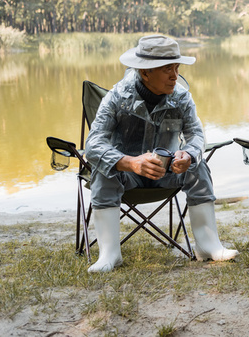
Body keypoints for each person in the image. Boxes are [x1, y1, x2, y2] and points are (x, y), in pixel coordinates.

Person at [85, 35, 238, 273]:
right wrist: (129, 163)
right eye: (168, 69)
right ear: (145, 72)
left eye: (177, 68)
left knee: (197, 163)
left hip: (168, 173)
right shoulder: (117, 96)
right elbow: (93, 144)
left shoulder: (181, 96)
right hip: (128, 177)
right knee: (105, 168)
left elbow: (197, 135)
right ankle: (110, 254)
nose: (175, 76)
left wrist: (187, 154)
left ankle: (208, 246)